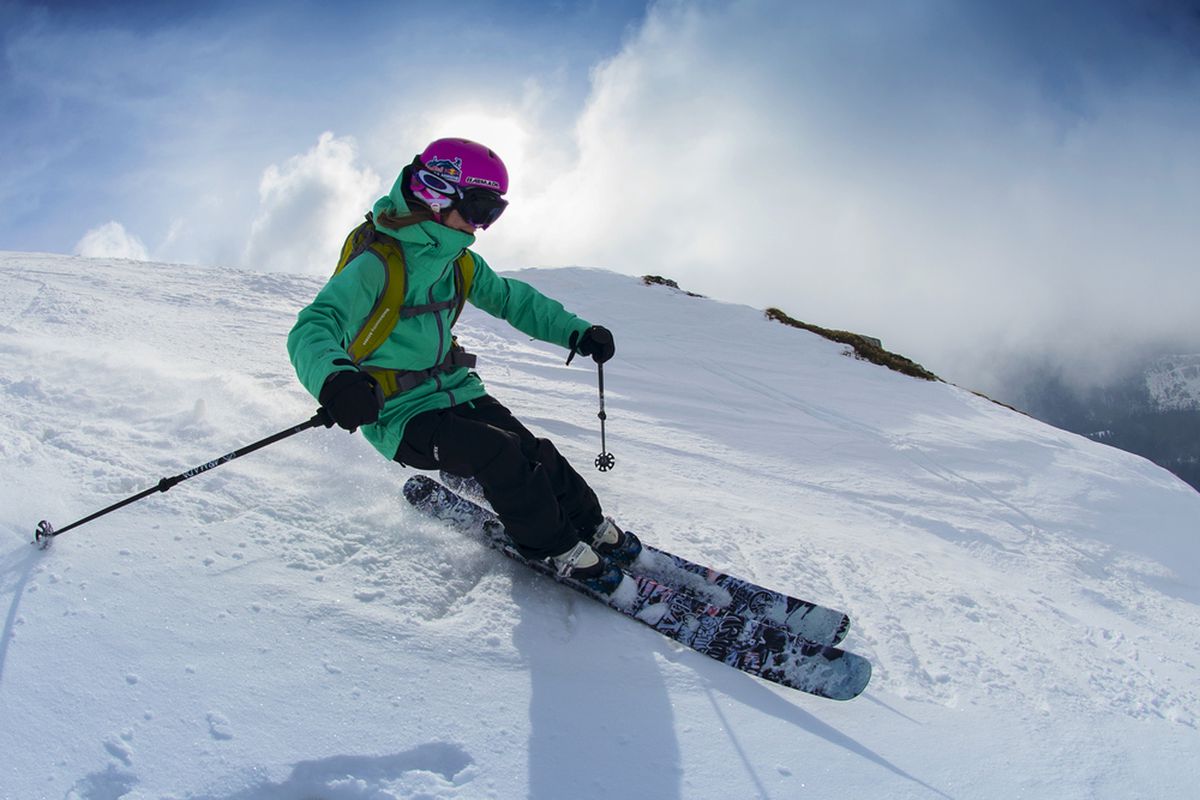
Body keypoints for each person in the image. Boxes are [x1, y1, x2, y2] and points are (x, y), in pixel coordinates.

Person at [287, 137, 639, 594]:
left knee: (533, 449)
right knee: (499, 453)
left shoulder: (459, 262)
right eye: (478, 209)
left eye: (492, 213)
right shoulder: (378, 264)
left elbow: (514, 301)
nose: (482, 225)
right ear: (437, 193)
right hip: (397, 413)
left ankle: (588, 524)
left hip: (456, 391)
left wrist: (576, 331)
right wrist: (335, 381)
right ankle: (551, 545)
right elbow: (314, 326)